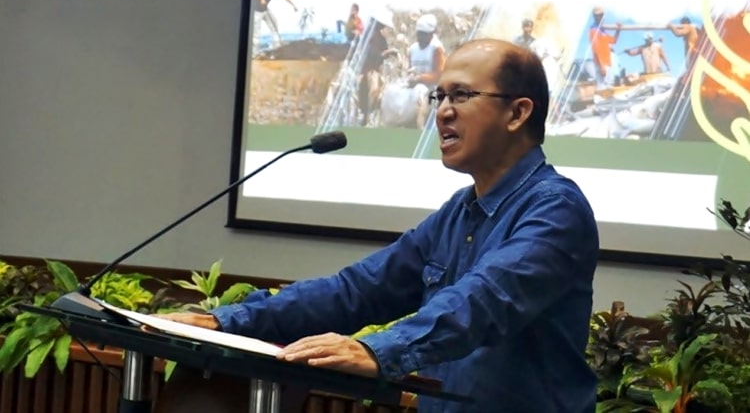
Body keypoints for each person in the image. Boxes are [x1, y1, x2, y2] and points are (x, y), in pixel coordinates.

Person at [157, 39, 599, 413]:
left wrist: (379, 350)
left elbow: (484, 301)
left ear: (518, 113)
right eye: (438, 97)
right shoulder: (459, 214)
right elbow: (358, 290)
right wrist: (224, 322)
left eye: (461, 96)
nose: (442, 111)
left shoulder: (555, 211)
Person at [588, 6, 621, 88]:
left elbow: (614, 41)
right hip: (601, 64)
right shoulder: (594, 30)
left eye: (601, 15)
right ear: (595, 17)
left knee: (609, 85)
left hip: (608, 63)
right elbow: (596, 49)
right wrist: (601, 66)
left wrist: (618, 30)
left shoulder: (603, 31)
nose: (600, 17)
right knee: (602, 86)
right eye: (598, 15)